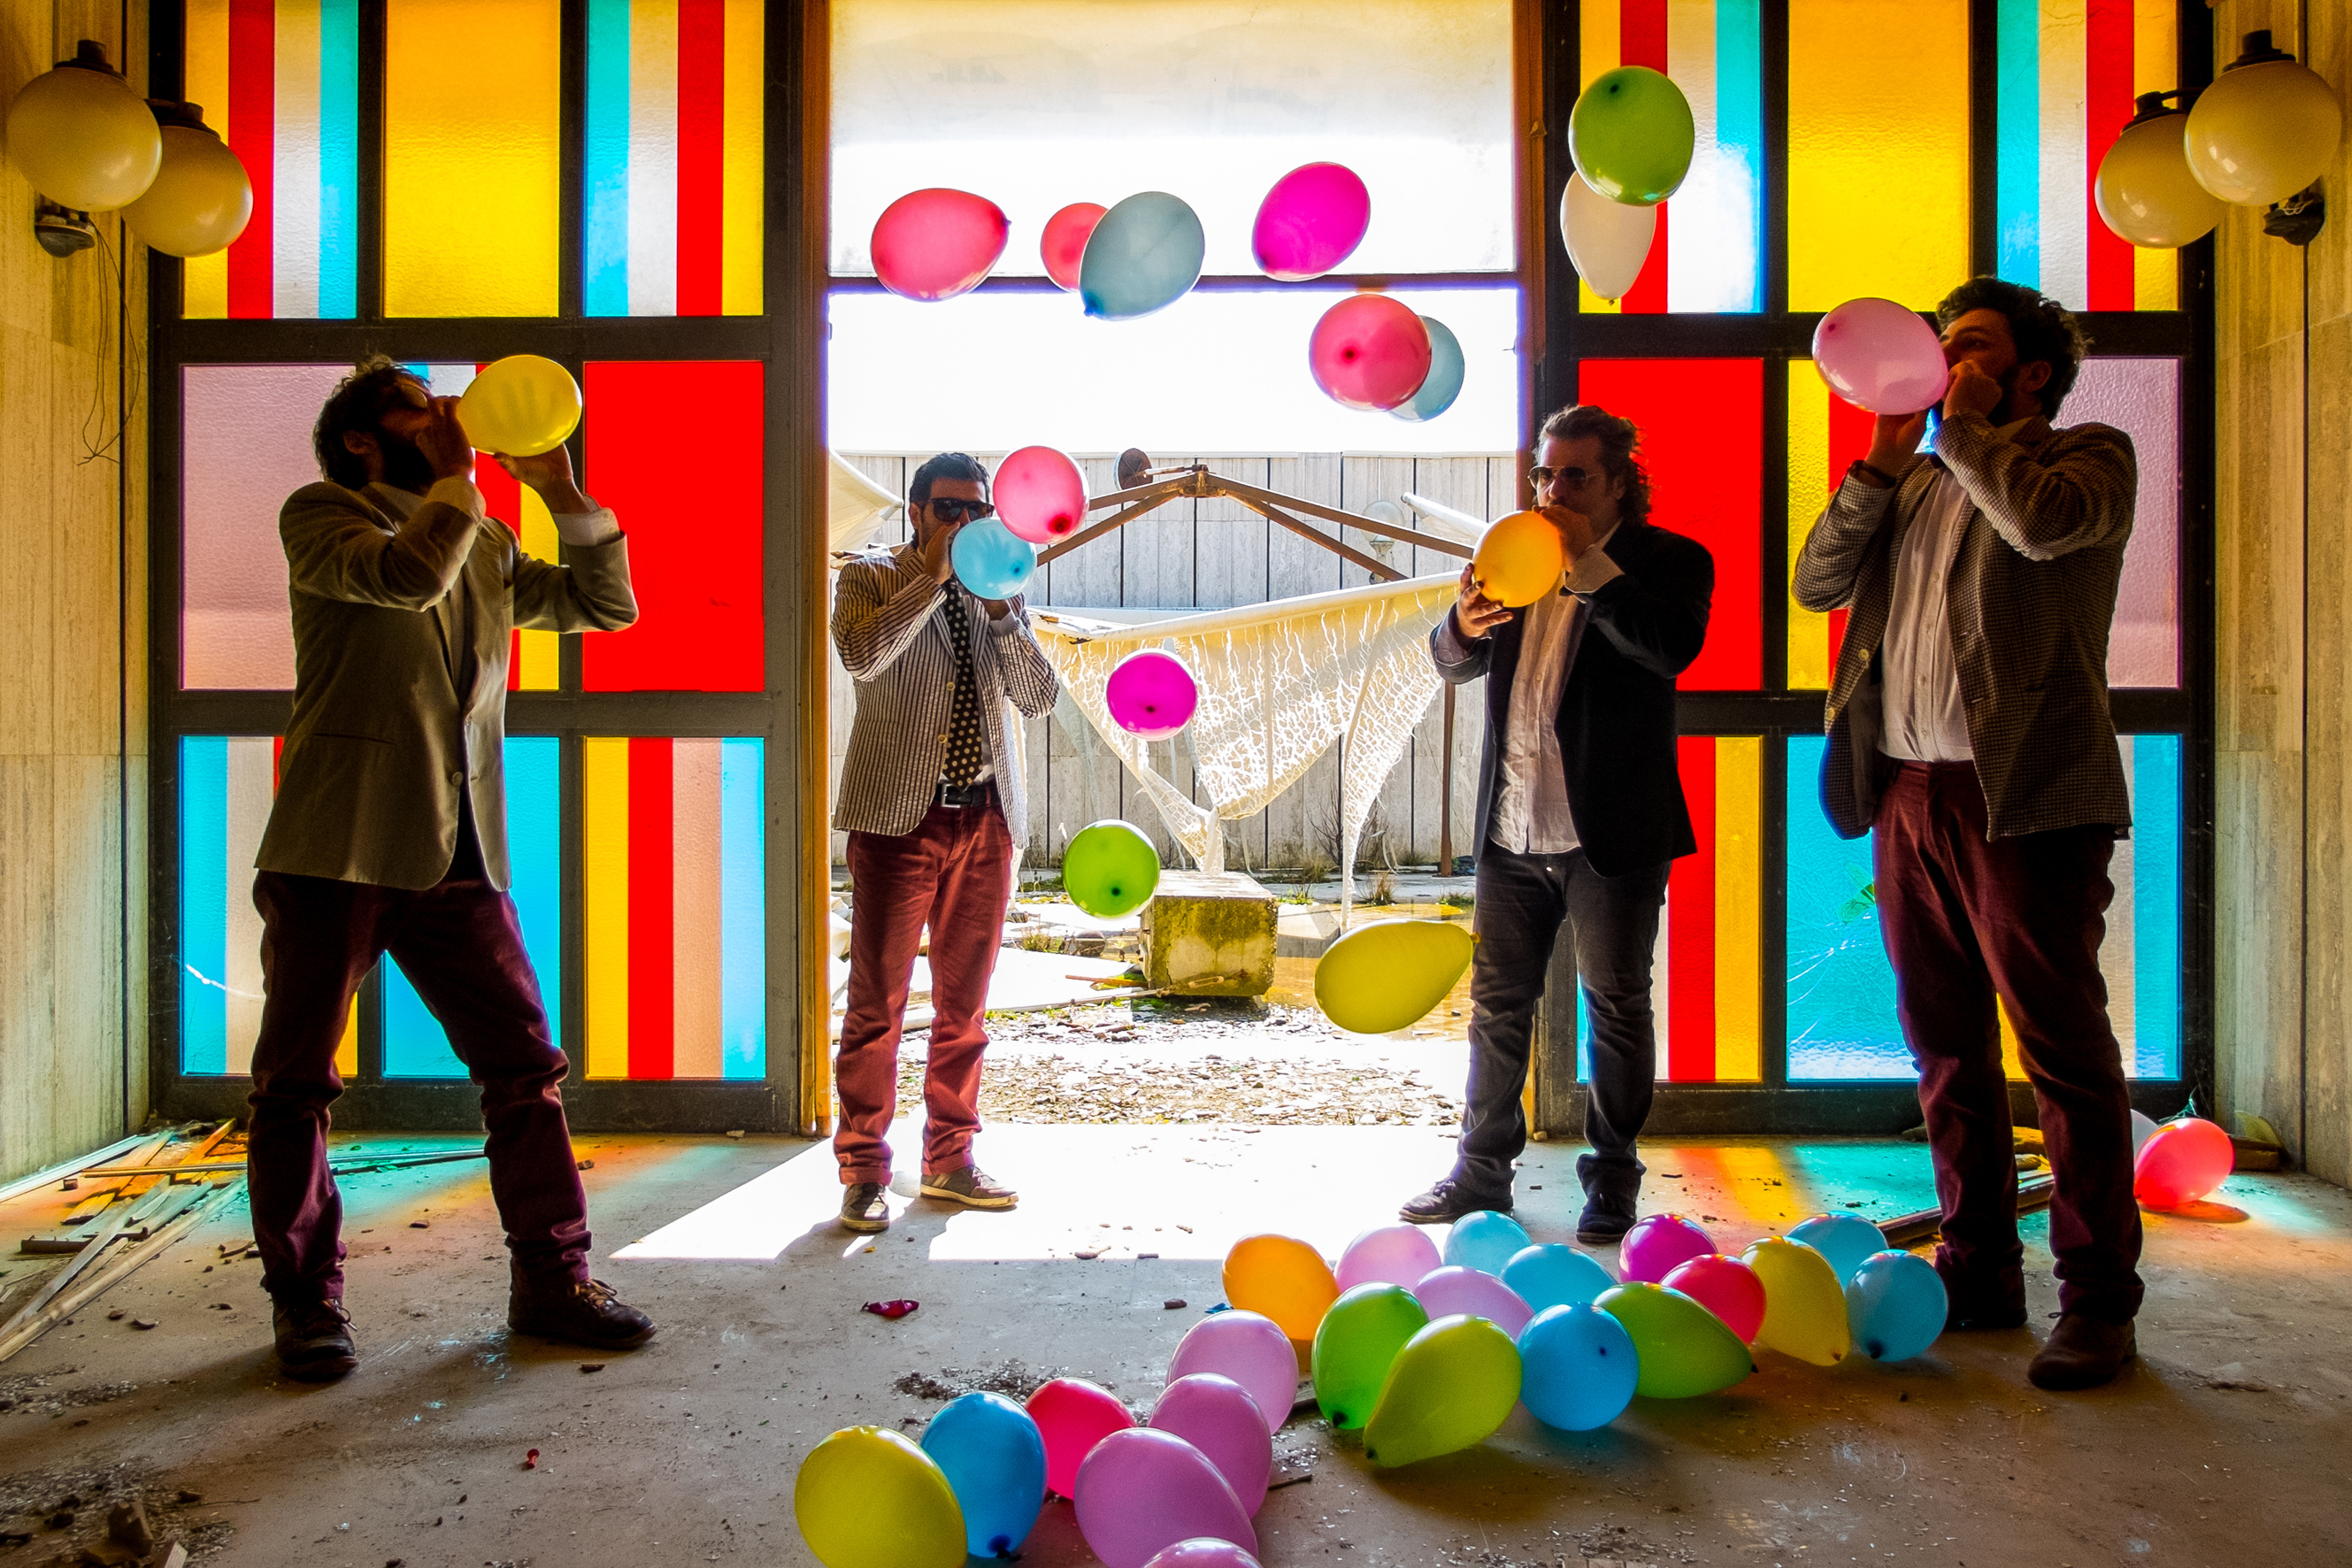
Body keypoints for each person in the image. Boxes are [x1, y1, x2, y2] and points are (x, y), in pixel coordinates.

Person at [249, 359, 653, 1382]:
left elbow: (606, 605)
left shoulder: (486, 535)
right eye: (417, 410)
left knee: (525, 1067)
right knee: (296, 1083)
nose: (444, 417)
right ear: (359, 439)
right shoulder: (322, 515)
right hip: (337, 845)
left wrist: (560, 491)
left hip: (462, 845)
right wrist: (459, 480)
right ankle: (306, 1302)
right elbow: (405, 578)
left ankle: (553, 1280)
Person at [1793, 277, 2141, 1391]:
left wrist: (1968, 429)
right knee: (1943, 1045)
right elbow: (1815, 583)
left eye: (1973, 346)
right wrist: (1882, 462)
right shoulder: (1912, 476)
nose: (1944, 360)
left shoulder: (2088, 456)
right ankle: (1979, 1268)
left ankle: (2098, 1301)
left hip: (2029, 796)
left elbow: (2040, 527)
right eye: (1941, 344)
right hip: (1907, 791)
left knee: (2063, 1053)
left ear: (2031, 371)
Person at [1402, 405, 1714, 1242]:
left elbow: (1669, 647)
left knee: (1617, 1005)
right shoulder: (1513, 553)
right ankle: (1480, 1174)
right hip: (1511, 826)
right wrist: (1460, 627)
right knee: (1497, 1008)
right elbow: (1452, 661)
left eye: (1574, 475)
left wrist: (1586, 567)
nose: (1552, 490)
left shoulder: (1671, 560)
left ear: (1619, 483)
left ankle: (1612, 1181)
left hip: (1609, 833)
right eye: (1545, 473)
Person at [830, 453, 1061, 1233]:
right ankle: (864, 1169)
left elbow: (1038, 697)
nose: (964, 523)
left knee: (966, 1009)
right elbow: (863, 657)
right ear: (917, 512)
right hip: (899, 818)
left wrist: (1000, 611)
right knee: (877, 1007)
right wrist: (932, 579)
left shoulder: (1002, 584)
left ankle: (950, 1159)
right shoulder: (869, 577)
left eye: (976, 510)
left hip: (987, 819)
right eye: (949, 509)